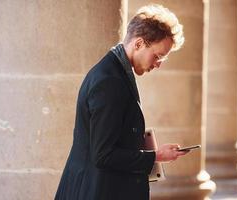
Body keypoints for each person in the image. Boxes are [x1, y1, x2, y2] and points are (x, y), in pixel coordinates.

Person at [55, 4, 186, 200]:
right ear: (139, 44)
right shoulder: (110, 81)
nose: (158, 64)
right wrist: (156, 156)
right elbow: (103, 155)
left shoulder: (115, 72)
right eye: (157, 56)